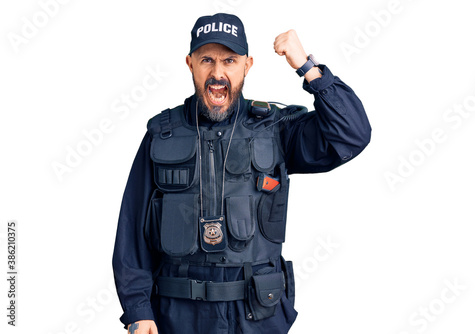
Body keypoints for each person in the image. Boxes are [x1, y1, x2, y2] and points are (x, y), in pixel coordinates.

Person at [112, 12, 371, 334]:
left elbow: (351, 135)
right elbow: (132, 229)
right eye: (207, 60)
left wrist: (308, 67)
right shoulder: (163, 133)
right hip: (177, 314)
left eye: (230, 61)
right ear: (190, 63)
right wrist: (138, 310)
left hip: (256, 314)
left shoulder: (275, 127)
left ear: (247, 65)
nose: (217, 73)